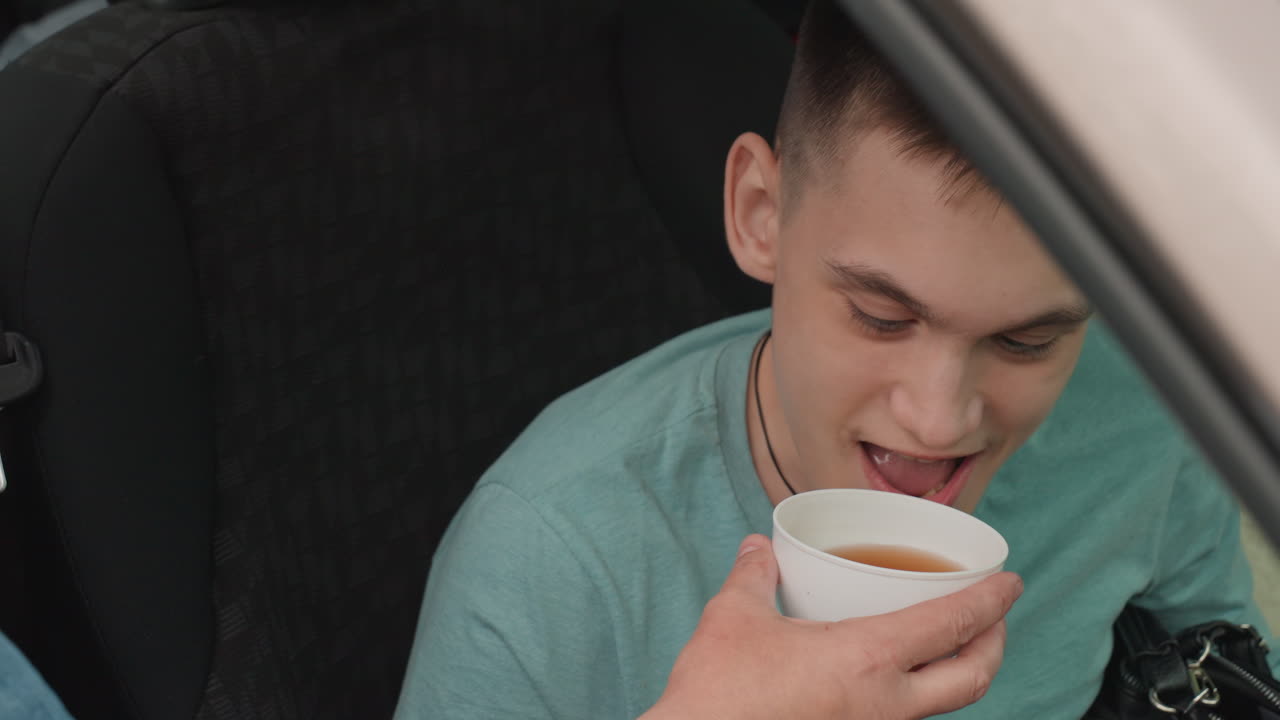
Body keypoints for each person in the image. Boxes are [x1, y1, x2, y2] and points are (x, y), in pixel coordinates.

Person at [394, 2, 1277, 718]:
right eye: (881, 316)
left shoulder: (1145, 414)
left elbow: (1230, 663)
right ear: (758, 214)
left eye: (1026, 341)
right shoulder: (546, 557)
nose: (939, 420)